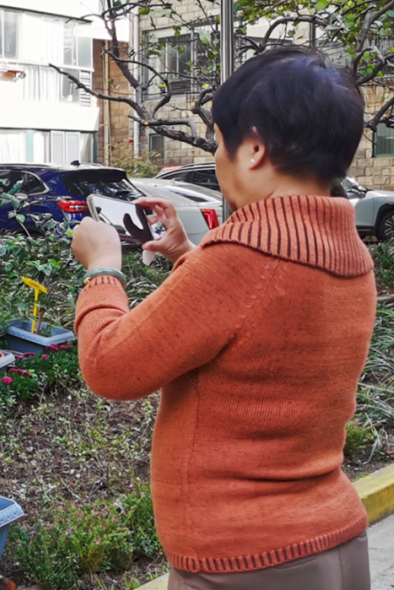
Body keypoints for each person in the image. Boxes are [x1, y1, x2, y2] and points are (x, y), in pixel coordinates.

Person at [71, 47, 375, 590]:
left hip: (244, 562)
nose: (216, 157)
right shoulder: (348, 252)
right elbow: (266, 324)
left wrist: (102, 267)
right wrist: (190, 254)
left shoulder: (240, 260)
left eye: (218, 143)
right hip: (334, 541)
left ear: (253, 148)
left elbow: (109, 366)